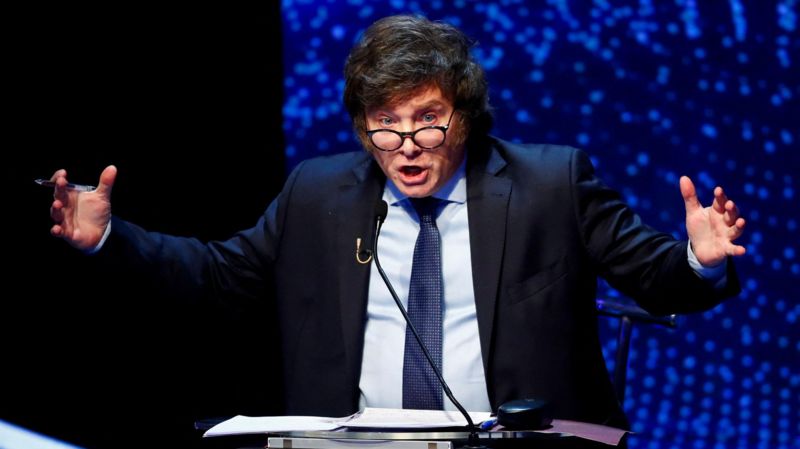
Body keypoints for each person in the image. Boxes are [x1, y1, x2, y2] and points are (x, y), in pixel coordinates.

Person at [46, 15, 746, 430]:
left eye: (427, 120)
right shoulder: (317, 192)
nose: (406, 146)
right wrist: (109, 238)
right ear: (362, 127)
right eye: (384, 124)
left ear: (464, 117)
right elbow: (217, 277)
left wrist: (701, 258)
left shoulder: (549, 183)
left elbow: (656, 277)